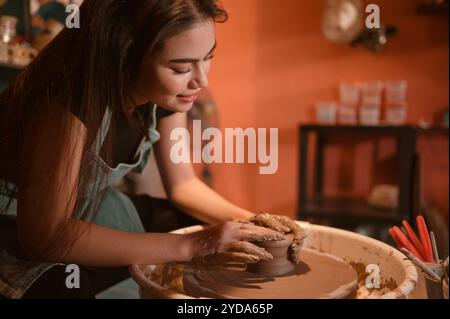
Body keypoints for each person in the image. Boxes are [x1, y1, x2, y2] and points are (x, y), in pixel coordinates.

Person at [0, 0, 304, 299]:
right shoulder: (71, 98)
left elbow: (183, 185)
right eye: (182, 67)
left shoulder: (168, 96)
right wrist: (193, 246)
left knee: (193, 227)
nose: (201, 80)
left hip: (83, 203)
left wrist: (254, 224)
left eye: (208, 57)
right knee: (67, 289)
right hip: (17, 219)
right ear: (126, 56)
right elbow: (45, 236)